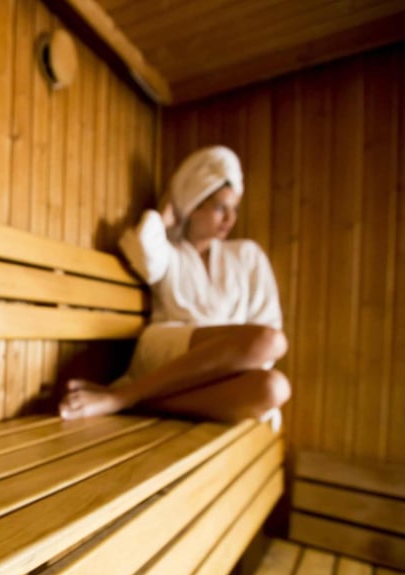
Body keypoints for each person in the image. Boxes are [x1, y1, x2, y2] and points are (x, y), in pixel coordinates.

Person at [59, 146, 290, 425]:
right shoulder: (171, 254)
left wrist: (237, 363)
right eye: (220, 207)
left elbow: (267, 320)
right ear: (194, 207)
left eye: (234, 209)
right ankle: (123, 398)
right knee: (270, 340)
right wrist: (164, 215)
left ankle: (130, 398)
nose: (230, 219)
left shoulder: (246, 254)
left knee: (274, 387)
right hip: (168, 350)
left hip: (223, 368)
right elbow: (143, 251)